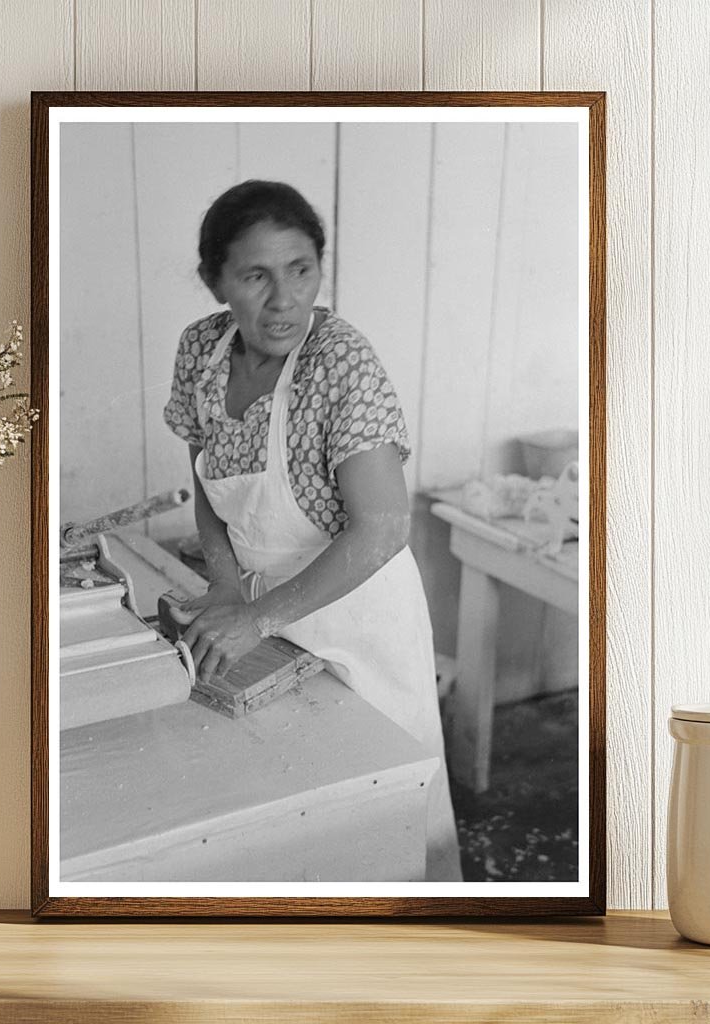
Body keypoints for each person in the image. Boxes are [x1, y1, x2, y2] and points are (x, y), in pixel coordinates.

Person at [163, 179, 462, 882]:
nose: (285, 298)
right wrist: (226, 587)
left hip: (360, 616)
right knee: (288, 805)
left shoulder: (341, 364)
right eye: (256, 275)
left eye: (301, 268)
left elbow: (384, 528)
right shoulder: (203, 354)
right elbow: (207, 484)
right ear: (216, 284)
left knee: (387, 807)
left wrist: (256, 618)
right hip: (264, 615)